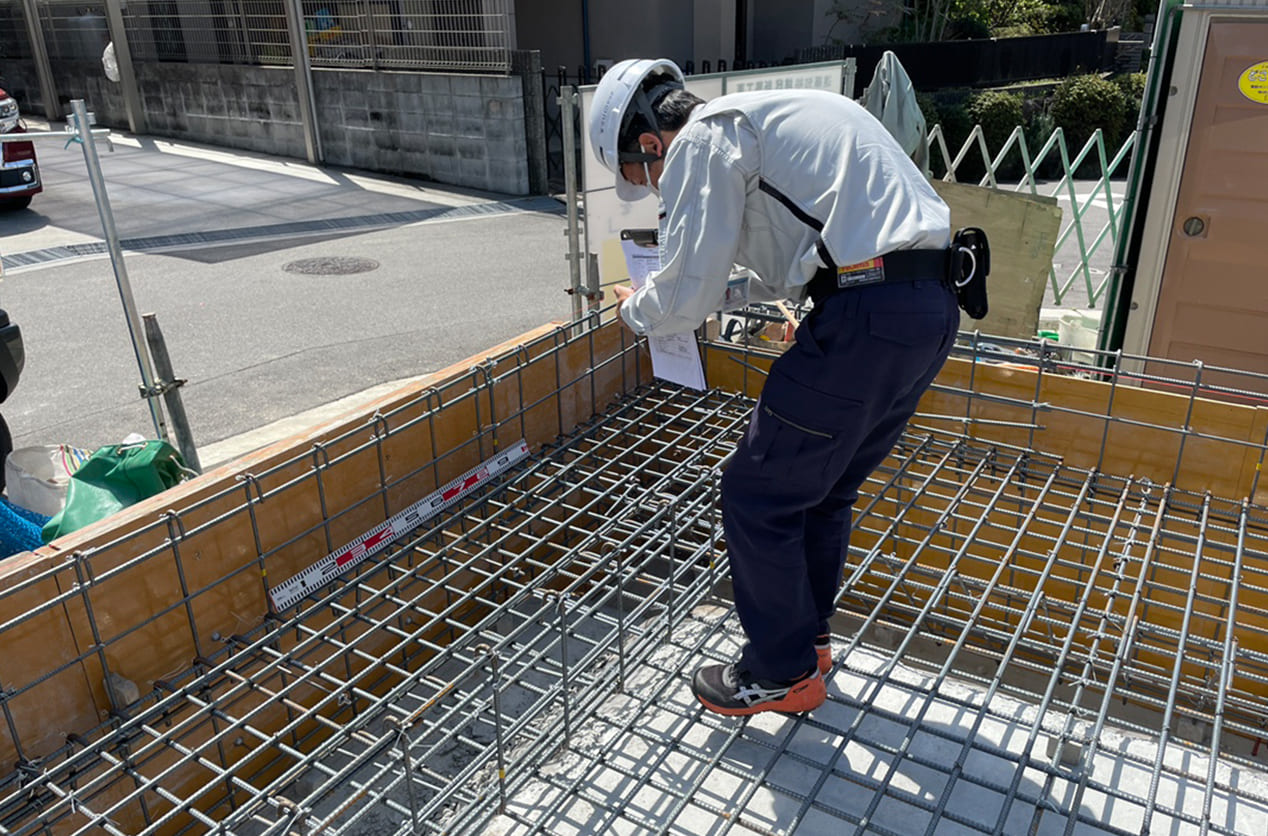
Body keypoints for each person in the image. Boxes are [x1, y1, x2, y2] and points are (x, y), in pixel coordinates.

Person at [589, 59, 961, 717]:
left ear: (649, 143)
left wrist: (634, 310)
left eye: (641, 176)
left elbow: (685, 291)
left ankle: (780, 672)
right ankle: (808, 646)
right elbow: (787, 251)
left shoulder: (705, 138)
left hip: (864, 315)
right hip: (925, 308)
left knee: (756, 493)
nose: (652, 189)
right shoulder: (776, 118)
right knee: (821, 490)